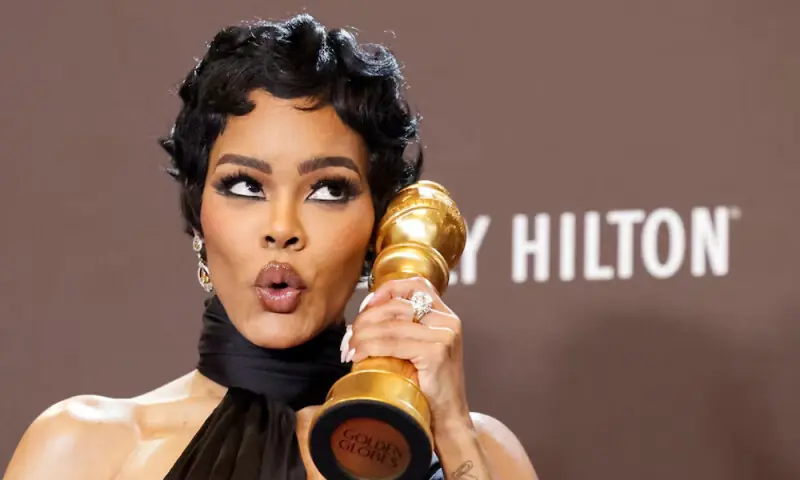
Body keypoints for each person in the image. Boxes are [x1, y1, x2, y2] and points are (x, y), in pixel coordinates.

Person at [4, 13, 538, 480]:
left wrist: (451, 431)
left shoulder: (480, 452)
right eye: (245, 186)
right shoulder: (83, 449)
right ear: (198, 215)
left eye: (328, 190)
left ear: (378, 229)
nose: (282, 228)